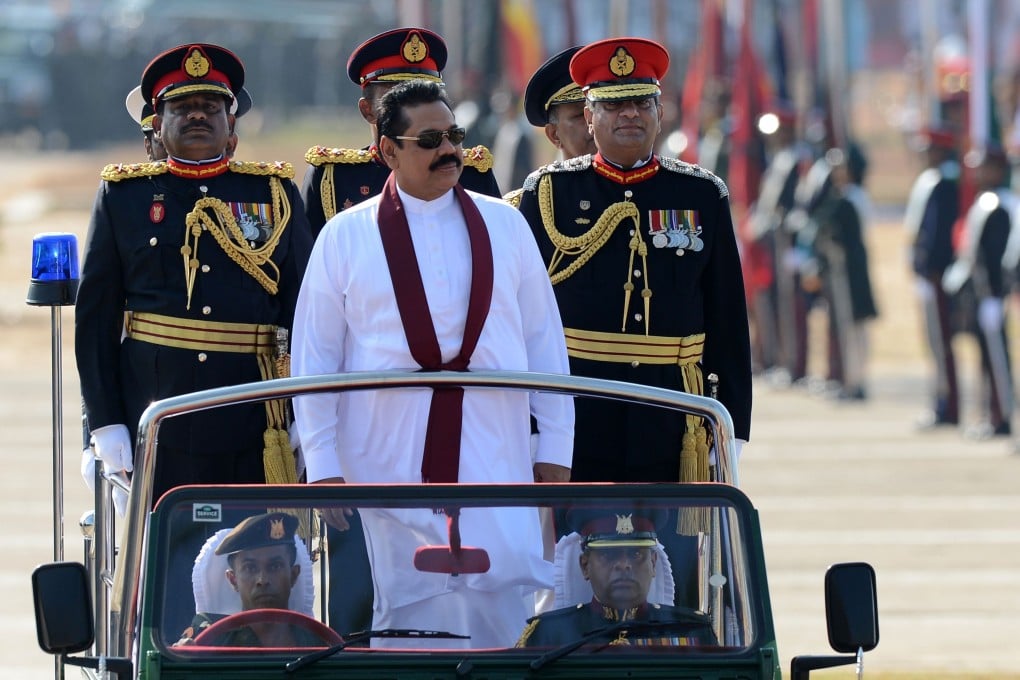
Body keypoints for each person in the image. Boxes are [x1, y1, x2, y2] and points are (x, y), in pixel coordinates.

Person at [291, 78, 574, 649]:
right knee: (397, 621)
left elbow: (545, 343)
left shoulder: (506, 223)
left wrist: (556, 447)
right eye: (430, 140)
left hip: (494, 451)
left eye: (455, 136)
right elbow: (314, 358)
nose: (450, 151)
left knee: (500, 606)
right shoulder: (344, 235)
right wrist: (321, 463)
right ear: (387, 149)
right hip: (383, 458)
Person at [75, 42, 313, 634]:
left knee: (260, 574)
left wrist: (310, 423)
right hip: (159, 428)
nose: (199, 115)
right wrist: (106, 427)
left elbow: (308, 316)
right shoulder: (125, 196)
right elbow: (96, 321)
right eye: (183, 107)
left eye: (213, 105)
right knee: (164, 582)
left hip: (253, 427)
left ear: (233, 126)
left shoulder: (273, 194)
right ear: (158, 124)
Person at [514, 37, 751, 609]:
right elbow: (521, 322)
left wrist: (731, 431)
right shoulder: (549, 193)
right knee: (574, 569)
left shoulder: (699, 193)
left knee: (679, 564)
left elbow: (727, 319)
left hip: (674, 415)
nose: (630, 116)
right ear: (588, 115)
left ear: (661, 113)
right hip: (580, 410)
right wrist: (525, 423)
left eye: (642, 104)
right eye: (615, 106)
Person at [301, 27, 501, 239]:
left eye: (426, 96)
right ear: (367, 110)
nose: (414, 109)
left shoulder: (469, 175)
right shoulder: (332, 180)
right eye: (396, 98)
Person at [515, 507, 718, 648]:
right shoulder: (548, 635)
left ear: (653, 563)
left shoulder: (692, 631)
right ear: (585, 565)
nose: (623, 564)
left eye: (636, 554)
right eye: (608, 554)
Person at [943, 142, 1016, 438]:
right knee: (985, 356)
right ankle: (992, 414)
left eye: (984, 166)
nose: (978, 171)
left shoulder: (1002, 205)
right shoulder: (984, 202)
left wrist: (996, 297)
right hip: (979, 293)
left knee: (998, 357)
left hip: (994, 295)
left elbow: (999, 258)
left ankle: (1004, 417)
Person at [800, 144, 879, 401]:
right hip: (839, 270)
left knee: (856, 327)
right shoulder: (837, 197)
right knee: (844, 328)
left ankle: (857, 381)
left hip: (853, 270)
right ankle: (847, 377)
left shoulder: (854, 198)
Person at [175, 512, 324, 647]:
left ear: (293, 575)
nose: (262, 579)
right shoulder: (209, 636)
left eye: (274, 566)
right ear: (233, 579)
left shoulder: (318, 642)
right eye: (250, 568)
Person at [904, 125, 962, 428]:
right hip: (928, 276)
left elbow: (938, 234)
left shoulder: (944, 184)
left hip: (937, 276)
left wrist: (932, 270)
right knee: (933, 341)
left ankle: (947, 404)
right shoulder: (931, 182)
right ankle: (940, 400)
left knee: (941, 342)